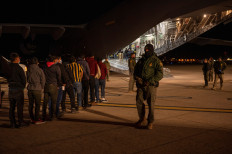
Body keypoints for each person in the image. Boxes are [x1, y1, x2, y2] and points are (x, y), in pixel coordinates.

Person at [134, 44, 163, 130]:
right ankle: (142, 119)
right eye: (145, 50)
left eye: (148, 50)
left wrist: (150, 81)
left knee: (151, 104)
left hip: (151, 86)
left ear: (151, 50)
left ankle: (150, 122)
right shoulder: (141, 60)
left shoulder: (156, 60)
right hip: (141, 85)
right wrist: (137, 78)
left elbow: (160, 74)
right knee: (138, 101)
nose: (146, 51)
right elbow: (135, 71)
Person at [7, 52, 27, 128]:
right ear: (16, 59)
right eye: (18, 58)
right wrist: (22, 87)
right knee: (19, 107)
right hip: (18, 89)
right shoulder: (19, 68)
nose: (19, 59)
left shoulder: (8, 67)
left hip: (11, 88)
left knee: (11, 107)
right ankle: (20, 122)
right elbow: (24, 80)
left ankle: (12, 123)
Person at [42, 55, 62, 121]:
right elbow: (59, 77)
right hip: (53, 85)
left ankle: (43, 115)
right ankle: (52, 116)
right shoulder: (56, 67)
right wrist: (59, 84)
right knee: (54, 102)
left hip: (46, 85)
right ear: (54, 60)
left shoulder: (44, 67)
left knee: (45, 102)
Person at [27, 57, 46, 124]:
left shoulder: (28, 69)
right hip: (37, 88)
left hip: (30, 88)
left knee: (31, 104)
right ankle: (36, 118)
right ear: (37, 62)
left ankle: (31, 118)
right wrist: (41, 87)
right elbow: (43, 80)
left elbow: (27, 78)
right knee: (37, 104)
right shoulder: (39, 70)